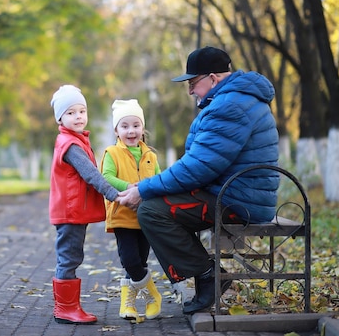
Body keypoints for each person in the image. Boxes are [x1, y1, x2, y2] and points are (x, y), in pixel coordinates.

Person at [117, 46, 279, 314]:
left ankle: (208, 275)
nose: (191, 91)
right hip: (236, 193)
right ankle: (203, 274)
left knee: (151, 211)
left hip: (237, 201)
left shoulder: (230, 106)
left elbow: (198, 168)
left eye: (193, 83)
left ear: (213, 79)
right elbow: (200, 164)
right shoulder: (235, 100)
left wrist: (144, 190)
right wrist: (147, 187)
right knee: (155, 202)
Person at [49, 85, 120, 325]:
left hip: (72, 211)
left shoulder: (75, 140)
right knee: (69, 258)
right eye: (71, 113)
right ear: (60, 118)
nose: (78, 116)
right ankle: (65, 309)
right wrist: (113, 194)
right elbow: (90, 174)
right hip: (69, 212)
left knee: (71, 256)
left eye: (82, 111)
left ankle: (68, 307)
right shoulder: (70, 145)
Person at [100, 99, 162, 320]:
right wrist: (128, 187)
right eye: (124, 126)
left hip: (146, 217)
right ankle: (154, 296)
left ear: (142, 128)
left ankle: (128, 306)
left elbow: (159, 181)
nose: (131, 131)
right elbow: (106, 177)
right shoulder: (111, 153)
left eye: (136, 125)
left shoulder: (151, 156)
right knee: (130, 260)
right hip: (122, 216)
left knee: (141, 261)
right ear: (116, 130)